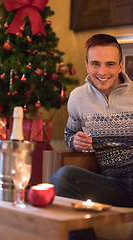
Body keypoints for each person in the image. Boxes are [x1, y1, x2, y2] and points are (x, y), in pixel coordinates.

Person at [51, 34, 133, 240]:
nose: (102, 72)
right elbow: (70, 134)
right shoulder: (78, 97)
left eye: (110, 64)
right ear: (87, 65)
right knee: (62, 177)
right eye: (96, 64)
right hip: (115, 185)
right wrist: (74, 142)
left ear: (121, 65)